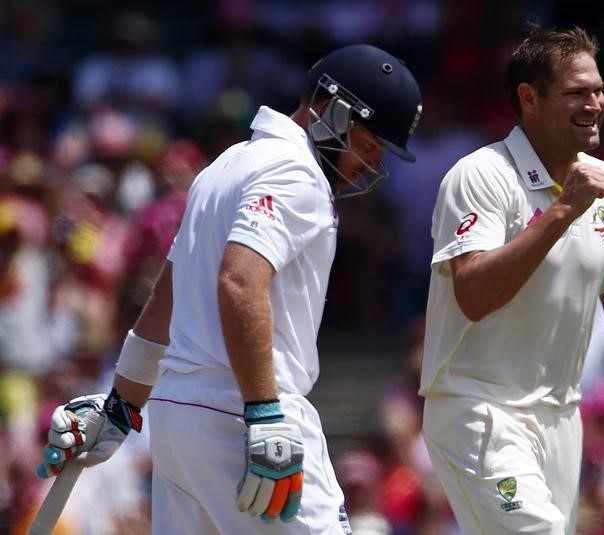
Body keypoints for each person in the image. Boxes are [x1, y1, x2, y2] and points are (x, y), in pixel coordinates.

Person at [36, 43, 423, 534]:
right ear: (333, 110)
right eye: (369, 144)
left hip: (178, 417)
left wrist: (122, 405)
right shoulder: (294, 170)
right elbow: (239, 282)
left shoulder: (226, 165)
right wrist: (263, 412)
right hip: (240, 413)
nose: (368, 165)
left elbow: (164, 301)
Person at [418, 23, 604, 535]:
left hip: (561, 419)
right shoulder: (481, 175)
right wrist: (564, 209)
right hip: (480, 407)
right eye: (575, 93)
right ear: (529, 98)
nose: (594, 104)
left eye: (597, 90)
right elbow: (475, 294)